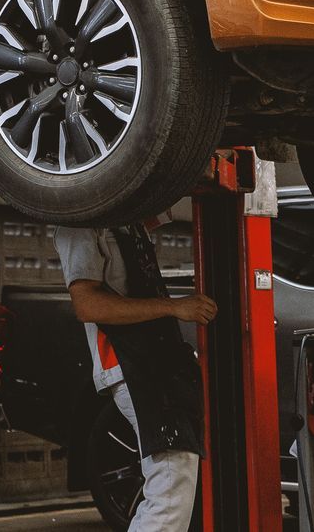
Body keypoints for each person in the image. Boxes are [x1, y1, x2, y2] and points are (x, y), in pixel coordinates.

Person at [54, 222, 217, 532]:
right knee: (170, 486)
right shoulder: (80, 225)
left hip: (154, 364)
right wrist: (173, 307)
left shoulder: (124, 219)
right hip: (131, 365)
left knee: (173, 482)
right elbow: (87, 304)